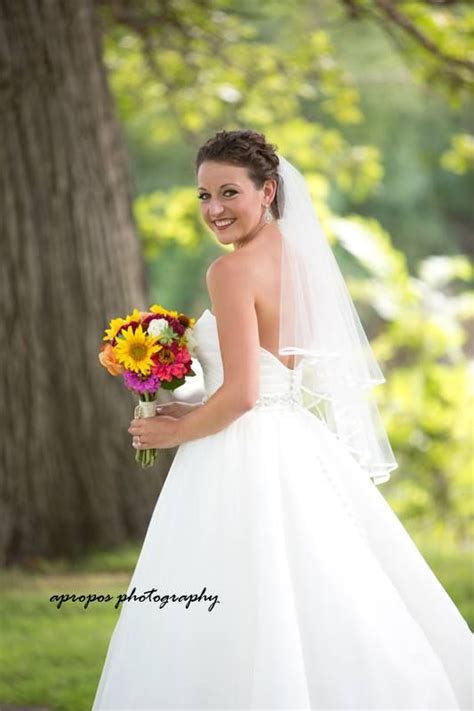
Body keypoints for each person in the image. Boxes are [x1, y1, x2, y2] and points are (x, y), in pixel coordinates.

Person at [92, 129, 473, 710]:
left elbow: (244, 394)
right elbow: (264, 382)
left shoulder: (230, 273)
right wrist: (192, 406)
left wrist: (172, 431)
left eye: (228, 193)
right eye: (203, 196)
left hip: (238, 449)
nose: (214, 209)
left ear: (267, 192)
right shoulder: (296, 259)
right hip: (291, 437)